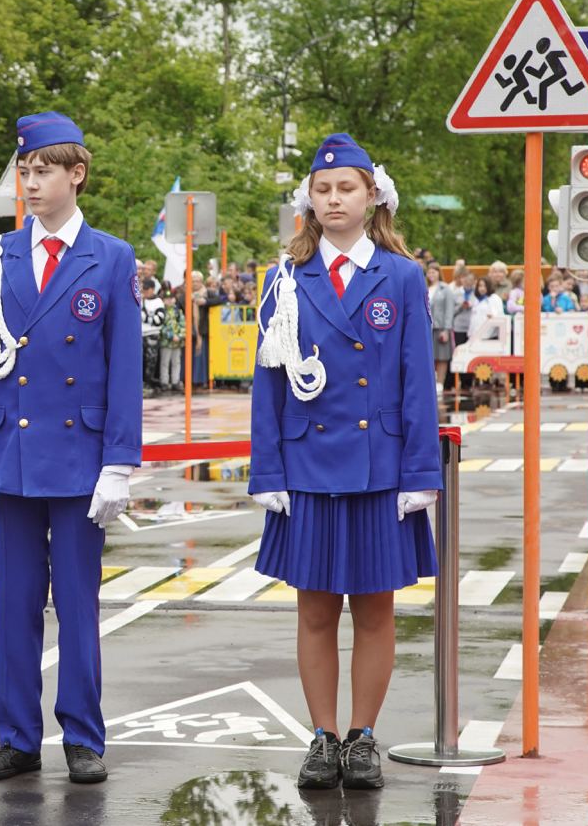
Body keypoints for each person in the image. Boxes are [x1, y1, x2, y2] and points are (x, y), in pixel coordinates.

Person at [249, 134, 440, 792]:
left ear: (372, 197)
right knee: (315, 611)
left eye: (346, 188)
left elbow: (417, 381)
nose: (334, 199)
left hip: (379, 466)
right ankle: (323, 736)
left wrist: (421, 472)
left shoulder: (402, 276)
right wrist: (267, 470)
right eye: (322, 189)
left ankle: (362, 737)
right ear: (309, 200)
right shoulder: (284, 277)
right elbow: (268, 381)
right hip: (308, 464)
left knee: (376, 612)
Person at [0, 111, 142, 785]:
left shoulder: (111, 257)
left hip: (79, 456)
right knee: (15, 604)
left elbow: (124, 368)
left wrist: (118, 462)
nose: (30, 183)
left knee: (77, 603)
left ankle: (83, 736)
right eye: (24, 172)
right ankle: (17, 737)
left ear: (77, 174)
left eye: (42, 171)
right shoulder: (1, 255)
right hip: (13, 450)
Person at [427, 263, 456, 391]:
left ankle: (440, 382)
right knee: (430, 355)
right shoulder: (425, 287)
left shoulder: (445, 289)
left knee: (442, 356)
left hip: (441, 326)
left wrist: (446, 329)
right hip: (428, 327)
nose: (431, 275)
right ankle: (431, 381)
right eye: (429, 272)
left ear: (439, 273)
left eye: (434, 272)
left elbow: (449, 310)